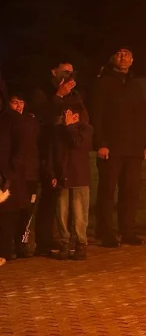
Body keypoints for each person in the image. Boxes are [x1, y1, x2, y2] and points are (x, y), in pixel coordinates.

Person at [89, 48, 146, 248]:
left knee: (131, 192)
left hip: (134, 148)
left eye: (127, 54)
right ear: (113, 59)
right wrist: (100, 143)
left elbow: (143, 116)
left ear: (133, 60)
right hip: (112, 148)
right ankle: (105, 231)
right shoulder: (103, 83)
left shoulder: (134, 85)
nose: (123, 57)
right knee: (108, 191)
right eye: (119, 54)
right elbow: (96, 115)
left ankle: (128, 231)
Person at [30, 60, 84, 256]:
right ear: (54, 72)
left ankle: (62, 236)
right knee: (49, 194)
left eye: (71, 73)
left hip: (66, 149)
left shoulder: (74, 95)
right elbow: (45, 116)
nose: (68, 76)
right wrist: (59, 96)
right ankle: (43, 240)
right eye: (64, 72)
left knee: (62, 196)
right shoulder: (42, 92)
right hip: (46, 150)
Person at [47, 105, 93, 260]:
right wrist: (53, 174)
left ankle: (80, 244)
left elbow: (78, 144)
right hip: (62, 177)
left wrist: (70, 127)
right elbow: (52, 153)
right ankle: (65, 243)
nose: (67, 117)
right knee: (62, 213)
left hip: (79, 177)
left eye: (70, 115)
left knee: (80, 214)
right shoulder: (58, 131)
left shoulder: (85, 129)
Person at [7, 90, 40, 258]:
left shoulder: (31, 121)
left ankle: (23, 242)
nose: (18, 106)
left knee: (27, 210)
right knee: (11, 210)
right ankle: (9, 245)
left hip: (30, 174)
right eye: (14, 102)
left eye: (21, 102)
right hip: (13, 175)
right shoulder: (6, 122)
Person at [0, 91, 26, 262]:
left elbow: (19, 148)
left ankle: (4, 250)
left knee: (7, 214)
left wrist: (9, 173)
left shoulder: (12, 119)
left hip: (6, 175)